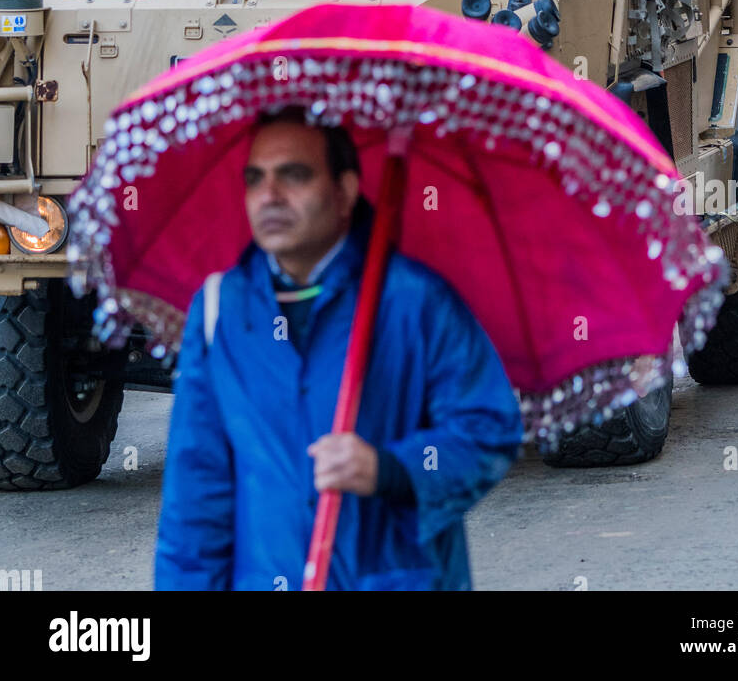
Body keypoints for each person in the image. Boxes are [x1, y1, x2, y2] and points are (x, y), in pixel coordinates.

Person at [154, 108, 522, 591]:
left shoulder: (415, 301)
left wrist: (391, 468)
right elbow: (196, 493)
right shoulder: (218, 310)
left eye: (295, 175)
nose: (270, 196)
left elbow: (488, 431)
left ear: (346, 191)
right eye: (255, 178)